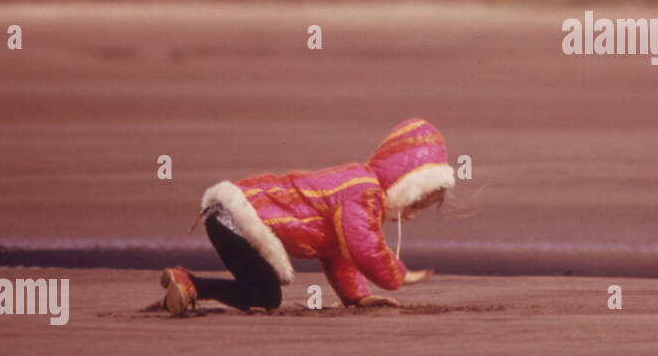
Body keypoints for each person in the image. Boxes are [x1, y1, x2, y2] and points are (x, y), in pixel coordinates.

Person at [158, 119, 455, 314]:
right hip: (236, 219)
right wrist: (398, 275)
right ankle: (190, 283)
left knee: (260, 289)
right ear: (403, 186)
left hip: (226, 215)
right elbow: (363, 249)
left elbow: (339, 254)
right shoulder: (365, 192)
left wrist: (356, 297)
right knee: (266, 296)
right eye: (414, 206)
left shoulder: (359, 187)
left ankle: (179, 289)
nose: (411, 216)